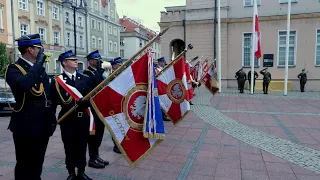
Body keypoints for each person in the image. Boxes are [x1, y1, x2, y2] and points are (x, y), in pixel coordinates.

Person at [5, 33, 57, 180]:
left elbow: (48, 96)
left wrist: (51, 119)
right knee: (24, 164)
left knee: (37, 163)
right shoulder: (13, 69)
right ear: (30, 50)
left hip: (42, 123)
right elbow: (25, 85)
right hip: (26, 124)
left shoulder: (37, 69)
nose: (41, 51)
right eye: (38, 48)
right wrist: (39, 65)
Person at [54, 50, 93, 180]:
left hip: (83, 118)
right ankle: (71, 172)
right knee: (69, 147)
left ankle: (81, 171)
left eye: (76, 59)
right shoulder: (58, 81)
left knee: (82, 146)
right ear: (64, 63)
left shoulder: (85, 79)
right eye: (72, 60)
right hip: (68, 119)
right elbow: (53, 100)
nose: (76, 61)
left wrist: (86, 102)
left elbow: (92, 97)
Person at [83, 50, 109, 169]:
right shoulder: (87, 73)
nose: (99, 62)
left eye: (99, 60)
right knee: (94, 134)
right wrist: (99, 71)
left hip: (100, 107)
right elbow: (94, 86)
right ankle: (92, 158)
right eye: (97, 60)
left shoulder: (99, 72)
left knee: (100, 132)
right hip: (92, 108)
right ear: (91, 61)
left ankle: (96, 155)